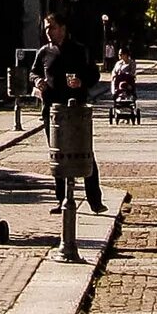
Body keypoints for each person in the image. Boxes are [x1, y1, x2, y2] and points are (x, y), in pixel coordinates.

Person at [42, 12, 104, 212]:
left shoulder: (79, 50)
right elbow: (34, 71)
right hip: (52, 111)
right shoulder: (44, 52)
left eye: (51, 27)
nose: (48, 31)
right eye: (45, 28)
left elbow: (94, 74)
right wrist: (36, 81)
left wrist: (81, 82)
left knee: (84, 153)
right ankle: (61, 199)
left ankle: (94, 199)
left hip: (76, 110)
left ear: (62, 28)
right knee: (57, 155)